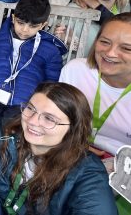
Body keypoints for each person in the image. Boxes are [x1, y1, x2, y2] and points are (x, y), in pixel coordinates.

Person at [0, 82, 117, 215]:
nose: (33, 122)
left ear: (72, 130)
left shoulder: (87, 171)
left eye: (49, 118)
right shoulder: (1, 131)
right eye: (31, 109)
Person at [59, 13, 131, 214]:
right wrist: (75, 146)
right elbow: (57, 117)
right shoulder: (75, 70)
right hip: (70, 150)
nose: (110, 53)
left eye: (126, 48)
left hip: (123, 166)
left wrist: (112, 166)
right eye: (104, 42)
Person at [0, 0, 67, 132]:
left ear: (43, 25)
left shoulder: (49, 50)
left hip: (25, 102)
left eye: (33, 26)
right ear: (14, 18)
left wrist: (39, 98)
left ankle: (1, 152)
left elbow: (52, 80)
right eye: (21, 23)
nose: (25, 30)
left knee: (11, 132)